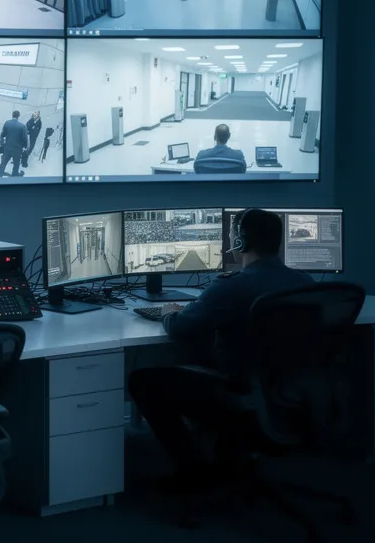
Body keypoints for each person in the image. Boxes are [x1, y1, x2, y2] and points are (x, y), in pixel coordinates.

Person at [128, 209, 313, 490]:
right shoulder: (304, 284)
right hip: (287, 395)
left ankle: (195, 471)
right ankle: (231, 458)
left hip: (241, 392)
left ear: (240, 243)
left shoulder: (232, 287)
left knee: (143, 381)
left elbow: (180, 328)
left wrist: (168, 312)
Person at [0, 110, 29, 177]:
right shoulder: (22, 126)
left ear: (12, 115)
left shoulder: (7, 123)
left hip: (7, 147)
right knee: (16, 163)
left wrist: (2, 144)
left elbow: (2, 135)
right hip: (17, 149)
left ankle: (0, 173)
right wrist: (24, 147)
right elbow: (25, 139)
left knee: (4, 162)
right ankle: (15, 174)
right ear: (18, 116)